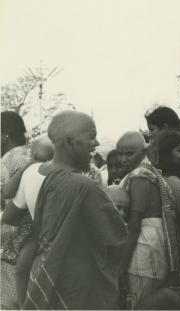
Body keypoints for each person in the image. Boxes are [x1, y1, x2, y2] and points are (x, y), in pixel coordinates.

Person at [5, 111, 128, 309]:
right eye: (91, 136)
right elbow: (116, 238)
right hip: (76, 283)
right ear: (69, 142)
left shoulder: (46, 177)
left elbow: (12, 216)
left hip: (45, 273)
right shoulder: (83, 186)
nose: (96, 143)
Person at [117, 131, 178, 309]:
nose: (123, 159)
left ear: (143, 152)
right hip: (151, 241)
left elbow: (134, 224)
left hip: (143, 244)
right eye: (120, 153)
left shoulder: (139, 175)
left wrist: (121, 265)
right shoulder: (149, 172)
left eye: (129, 154)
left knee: (138, 302)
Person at [0, 111, 32, 309]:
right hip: (40, 244)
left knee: (8, 303)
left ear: (5, 134)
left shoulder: (6, 162)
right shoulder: (38, 155)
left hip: (12, 245)